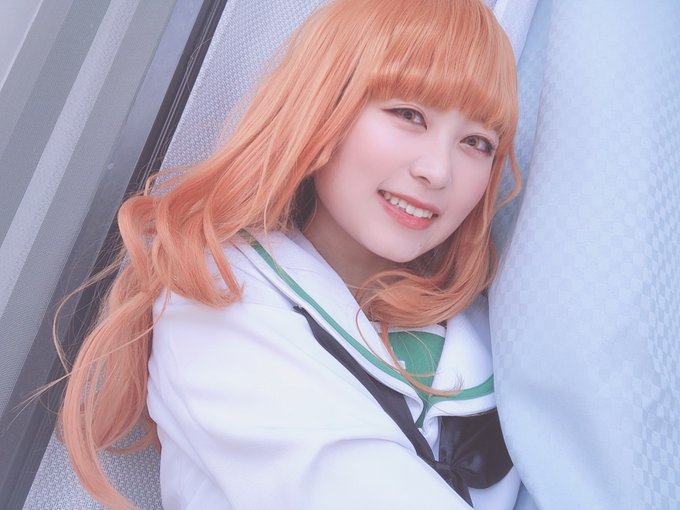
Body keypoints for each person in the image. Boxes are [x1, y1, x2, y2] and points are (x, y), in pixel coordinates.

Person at [58, 0, 522, 508]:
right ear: (323, 106)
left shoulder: (500, 332)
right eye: (408, 114)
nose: (438, 171)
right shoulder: (217, 302)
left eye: (477, 142)